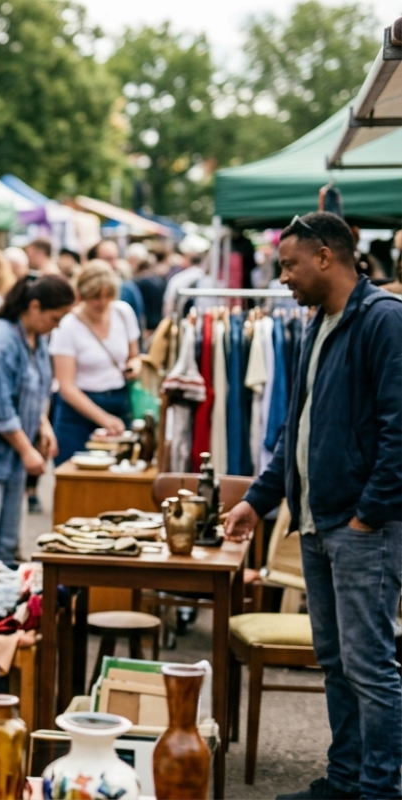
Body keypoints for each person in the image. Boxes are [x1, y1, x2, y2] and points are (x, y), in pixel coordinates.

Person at [224, 211, 402, 800]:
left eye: (290, 265)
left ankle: (379, 789)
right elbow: (294, 431)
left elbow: (399, 430)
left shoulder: (384, 321)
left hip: (360, 528)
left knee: (370, 666)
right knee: (335, 660)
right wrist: (259, 499)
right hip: (321, 524)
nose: (283, 279)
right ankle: (346, 779)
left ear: (326, 257)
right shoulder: (313, 325)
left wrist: (367, 513)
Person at [0, 274, 75, 567]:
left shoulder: (36, 337)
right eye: (55, 317)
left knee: (7, 544)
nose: (58, 324)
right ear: (35, 306)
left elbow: (32, 390)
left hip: (12, 459)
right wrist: (28, 451)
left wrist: (43, 425)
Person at [49, 262, 141, 463]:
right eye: (96, 297)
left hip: (118, 402)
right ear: (81, 296)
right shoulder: (68, 326)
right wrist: (103, 418)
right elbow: (66, 386)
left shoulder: (123, 313)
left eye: (108, 296)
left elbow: (134, 354)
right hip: (77, 413)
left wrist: (134, 365)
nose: (102, 302)